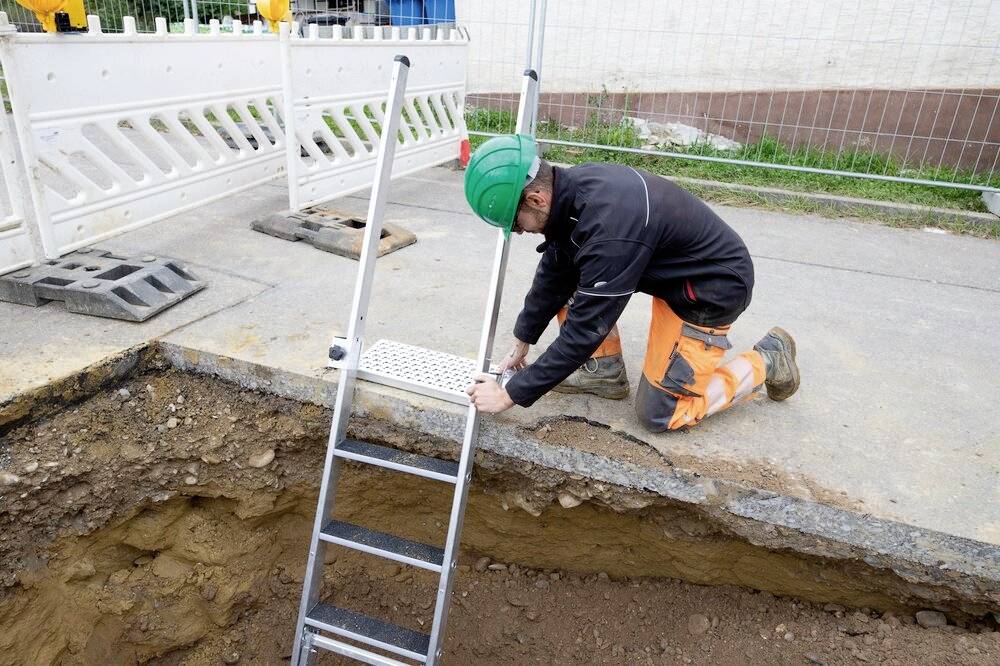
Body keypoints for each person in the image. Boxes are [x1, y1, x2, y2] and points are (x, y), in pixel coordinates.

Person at [463, 134, 799, 432]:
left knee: (660, 415)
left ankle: (768, 359)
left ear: (536, 199)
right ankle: (603, 371)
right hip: (673, 275)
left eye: (516, 223)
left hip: (708, 294)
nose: (520, 231)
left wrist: (510, 394)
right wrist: (524, 338)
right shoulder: (572, 192)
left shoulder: (609, 231)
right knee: (573, 279)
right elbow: (556, 267)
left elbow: (585, 330)